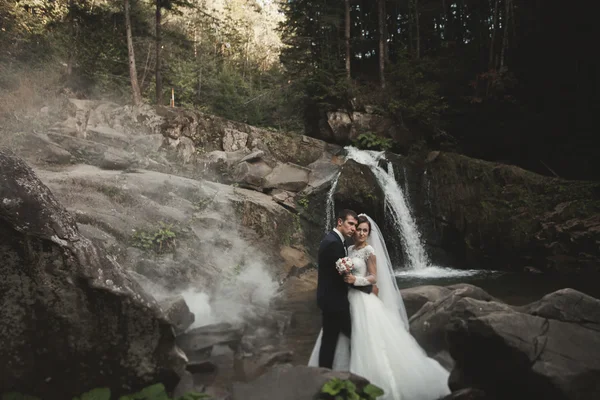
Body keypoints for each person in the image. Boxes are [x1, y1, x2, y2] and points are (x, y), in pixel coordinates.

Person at [309, 214, 451, 400]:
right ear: (346, 226)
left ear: (369, 233)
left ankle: (367, 379)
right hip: (345, 299)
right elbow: (337, 274)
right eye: (357, 228)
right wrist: (353, 281)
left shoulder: (369, 251)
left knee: (363, 337)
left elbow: (373, 277)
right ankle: (335, 377)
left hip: (361, 300)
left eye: (363, 230)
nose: (359, 232)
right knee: (344, 337)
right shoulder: (347, 247)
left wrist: (357, 280)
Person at [315, 209, 372, 369]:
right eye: (351, 224)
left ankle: (326, 373)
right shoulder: (334, 243)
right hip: (335, 301)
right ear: (340, 222)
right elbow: (343, 277)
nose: (354, 229)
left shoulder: (335, 240)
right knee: (355, 336)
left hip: (329, 298)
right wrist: (366, 288)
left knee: (330, 339)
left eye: (356, 225)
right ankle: (359, 370)